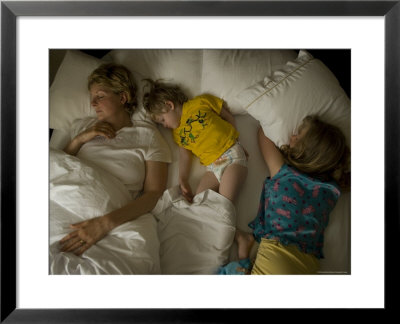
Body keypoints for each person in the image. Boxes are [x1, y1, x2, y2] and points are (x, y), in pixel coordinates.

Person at [58, 63, 171, 256]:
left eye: (100, 96)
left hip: (113, 217)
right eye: (92, 98)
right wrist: (81, 139)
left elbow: (154, 194)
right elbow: (57, 167)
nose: (93, 103)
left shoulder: (148, 136)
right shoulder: (81, 126)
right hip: (67, 204)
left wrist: (104, 224)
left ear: (122, 97)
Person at [218, 115, 350, 275]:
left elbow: (263, 133)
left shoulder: (285, 174)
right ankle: (244, 252)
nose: (292, 136)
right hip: (307, 260)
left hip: (283, 261)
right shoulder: (331, 191)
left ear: (306, 150)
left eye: (298, 135)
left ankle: (244, 253)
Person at [142, 79, 248, 203]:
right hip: (213, 167)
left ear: (169, 105)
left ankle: (223, 221)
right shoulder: (177, 134)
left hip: (232, 155)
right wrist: (183, 179)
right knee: (199, 200)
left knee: (225, 202)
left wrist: (237, 143)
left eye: (163, 120)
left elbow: (227, 116)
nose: (164, 125)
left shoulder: (201, 102)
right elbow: (185, 156)